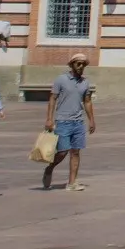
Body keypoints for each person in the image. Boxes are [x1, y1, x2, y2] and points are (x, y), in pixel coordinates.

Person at [40, 54, 97, 192]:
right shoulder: (61, 80)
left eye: (83, 64)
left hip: (78, 122)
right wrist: (49, 118)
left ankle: (72, 182)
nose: (81, 66)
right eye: (78, 63)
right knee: (62, 152)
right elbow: (53, 98)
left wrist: (91, 120)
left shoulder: (85, 82)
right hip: (63, 121)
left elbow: (87, 101)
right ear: (71, 65)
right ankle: (50, 168)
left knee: (76, 152)